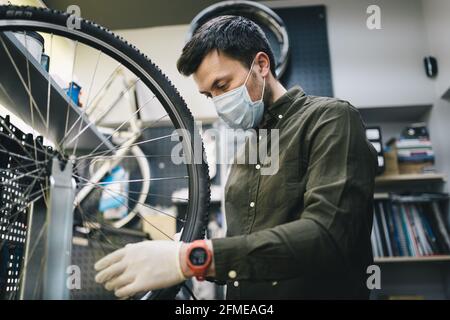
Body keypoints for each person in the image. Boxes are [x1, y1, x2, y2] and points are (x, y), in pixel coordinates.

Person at [95, 15, 378, 299]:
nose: (218, 102)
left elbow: (327, 236)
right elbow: (244, 254)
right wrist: (184, 251)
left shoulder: (331, 119)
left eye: (223, 85)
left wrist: (191, 259)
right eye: (209, 95)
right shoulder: (248, 151)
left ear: (261, 65)